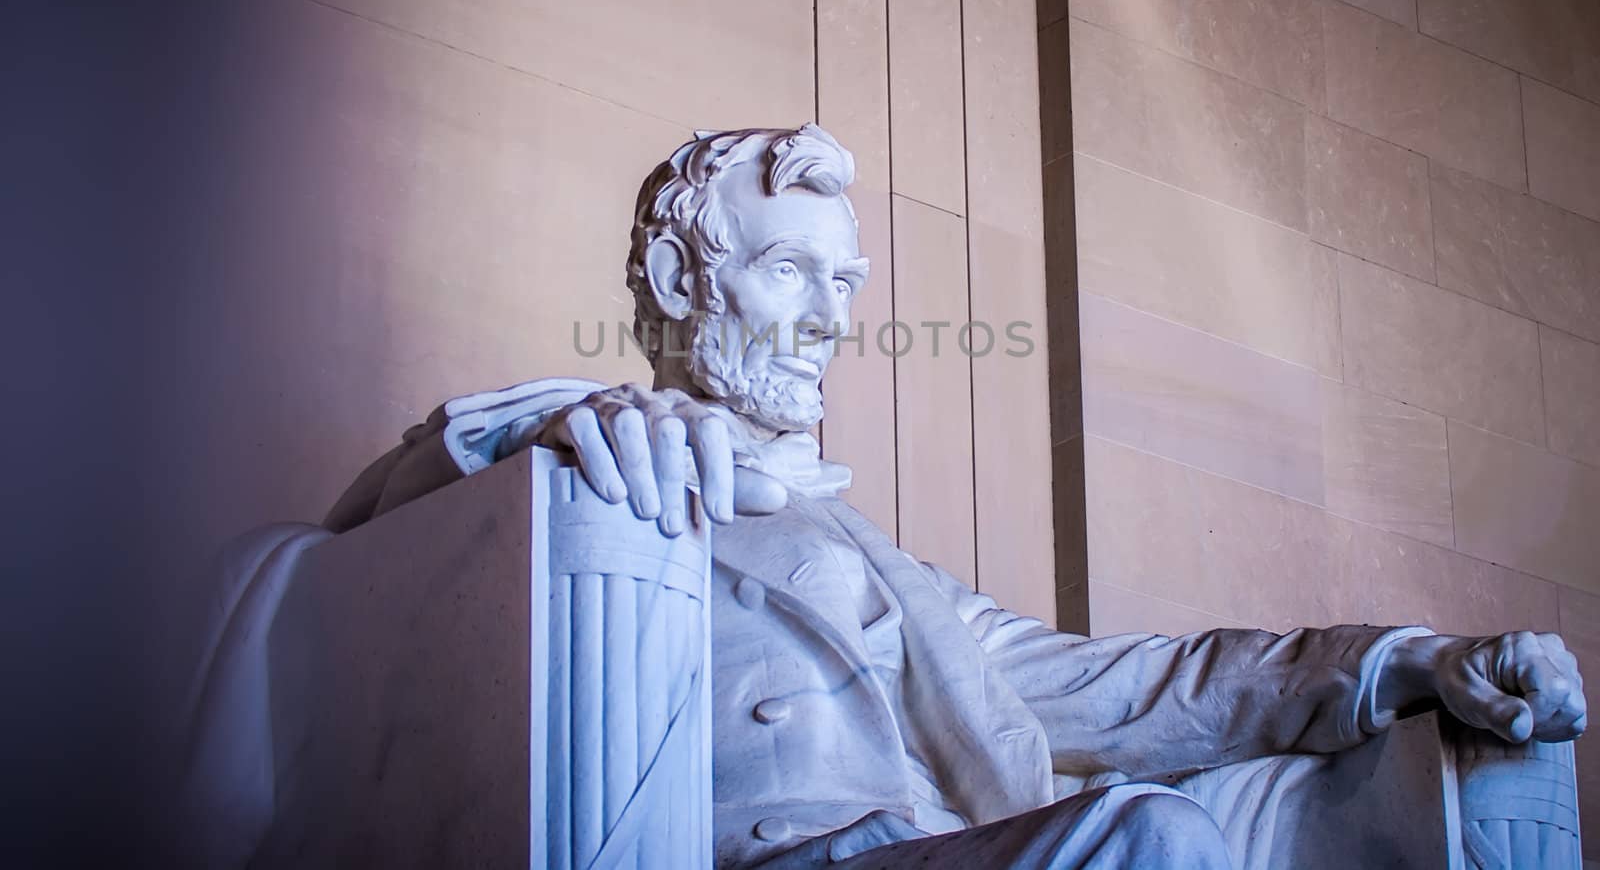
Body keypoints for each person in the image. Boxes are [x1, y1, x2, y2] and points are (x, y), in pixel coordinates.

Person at [322, 124, 1585, 868]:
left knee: (1367, 805)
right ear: (672, 272)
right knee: (1148, 845)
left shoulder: (893, 574)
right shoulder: (579, 461)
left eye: (848, 281)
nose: (833, 321)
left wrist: (1413, 664)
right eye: (790, 274)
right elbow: (349, 543)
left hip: (955, 844)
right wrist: (551, 420)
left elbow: (1142, 687)